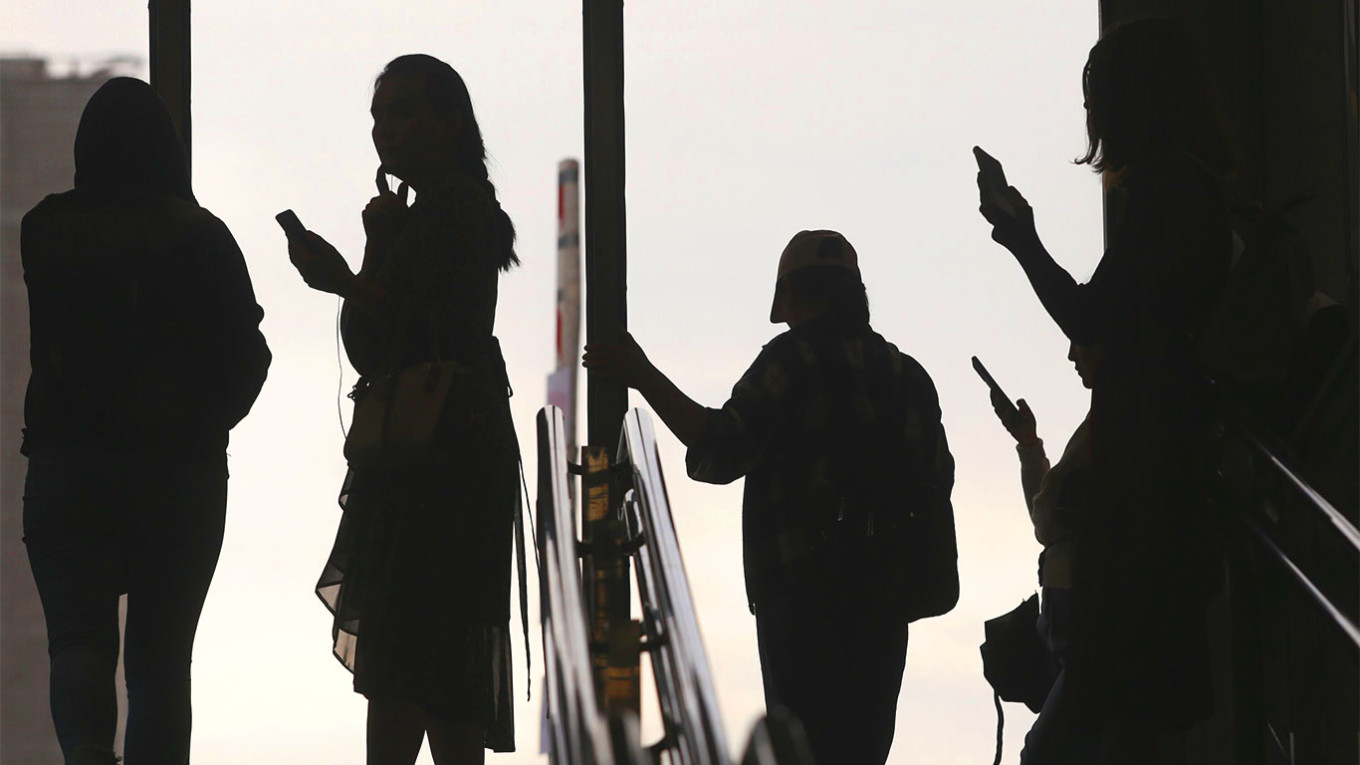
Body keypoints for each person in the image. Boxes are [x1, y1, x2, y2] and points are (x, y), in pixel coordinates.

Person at [583, 230, 955, 765]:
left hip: (801, 595)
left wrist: (641, 375)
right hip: (887, 599)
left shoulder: (792, 360)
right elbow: (937, 480)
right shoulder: (908, 377)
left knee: (799, 746)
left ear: (795, 296)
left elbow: (719, 443)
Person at [976, 18, 1233, 763]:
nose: (1089, 115)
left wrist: (1020, 233)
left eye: (1098, 97)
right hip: (1161, 500)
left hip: (1145, 512)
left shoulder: (1166, 200)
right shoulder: (1190, 195)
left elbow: (1095, 315)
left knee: (1097, 723)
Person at [20, 77, 271, 765]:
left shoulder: (43, 229)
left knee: (77, 640)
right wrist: (205, 425)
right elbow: (250, 356)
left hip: (67, 464)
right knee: (160, 663)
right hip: (176, 472)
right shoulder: (203, 236)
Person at [288, 54, 521, 765]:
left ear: (449, 121)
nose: (385, 131)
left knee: (403, 650)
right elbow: (385, 335)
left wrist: (354, 267)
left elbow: (387, 335)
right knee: (444, 660)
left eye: (402, 112)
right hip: (452, 451)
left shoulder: (449, 212)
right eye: (378, 117)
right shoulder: (456, 209)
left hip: (433, 464)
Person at [989, 344, 1102, 765]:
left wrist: (1031, 449)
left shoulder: (1116, 419)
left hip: (1083, 612)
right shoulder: (1105, 417)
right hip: (1072, 608)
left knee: (1045, 752)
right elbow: (1052, 517)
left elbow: (1050, 516)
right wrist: (1028, 444)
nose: (1073, 353)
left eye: (1084, 338)